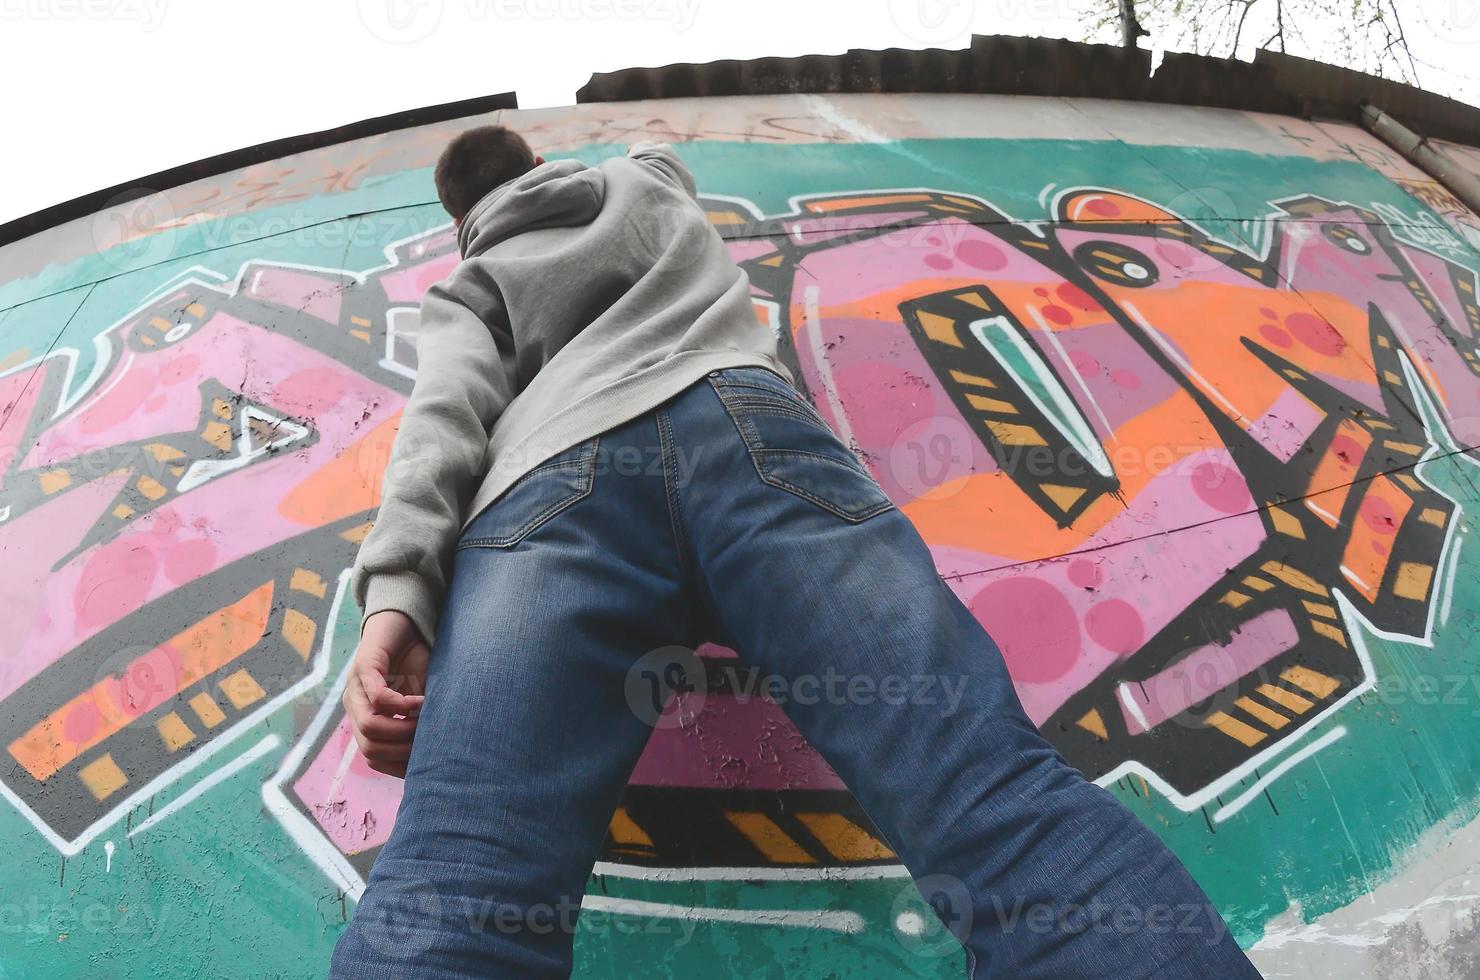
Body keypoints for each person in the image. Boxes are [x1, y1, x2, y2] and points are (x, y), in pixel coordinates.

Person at [329, 125, 1262, 979]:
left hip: (551, 482)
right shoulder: (643, 184)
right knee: (986, 793)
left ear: (461, 222)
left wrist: (398, 600)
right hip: (750, 435)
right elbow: (660, 153)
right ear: (537, 163)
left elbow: (441, 422)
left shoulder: (470, 282)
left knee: (462, 882)